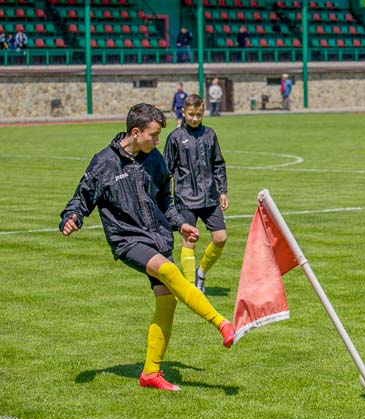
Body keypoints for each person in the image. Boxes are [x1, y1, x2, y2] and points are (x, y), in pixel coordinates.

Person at [59, 103, 234, 392]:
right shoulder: (104, 162)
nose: (157, 141)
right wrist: (72, 217)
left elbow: (165, 200)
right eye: (153, 135)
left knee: (167, 303)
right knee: (169, 271)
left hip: (156, 236)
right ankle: (221, 323)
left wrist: (180, 224)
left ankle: (151, 373)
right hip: (127, 240)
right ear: (135, 131)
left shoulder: (154, 159)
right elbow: (82, 198)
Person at [163, 94, 228, 294]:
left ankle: (201, 272)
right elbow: (166, 170)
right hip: (185, 198)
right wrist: (166, 198)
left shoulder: (210, 134)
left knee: (220, 238)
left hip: (209, 196)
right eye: (191, 114)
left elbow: (218, 163)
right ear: (183, 112)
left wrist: (222, 190)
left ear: (203, 112)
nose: (194, 119)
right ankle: (191, 287)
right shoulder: (174, 137)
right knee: (189, 240)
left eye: (198, 115)